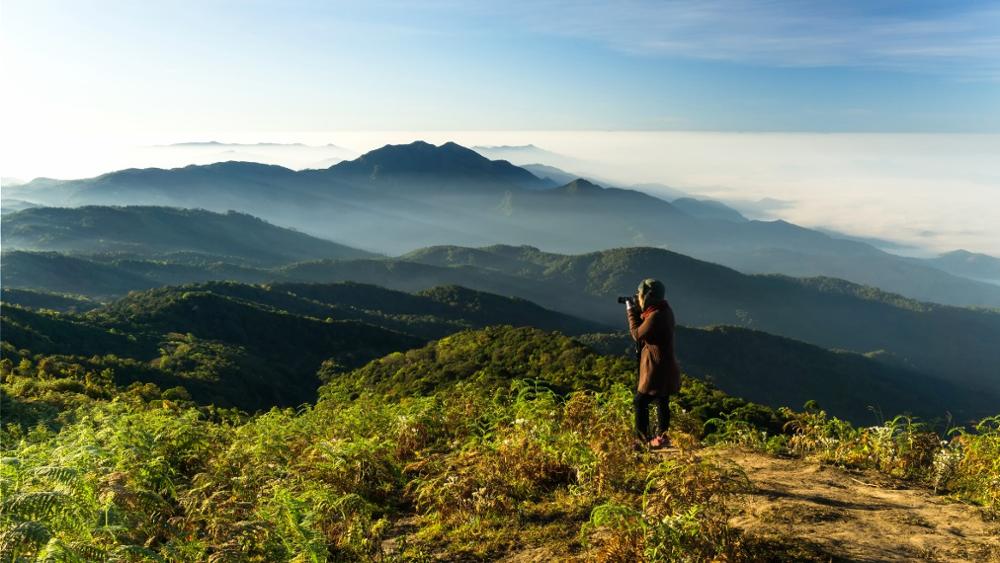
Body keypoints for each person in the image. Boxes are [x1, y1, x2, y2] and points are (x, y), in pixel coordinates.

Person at [626, 278, 681, 449]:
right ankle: (662, 437)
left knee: (640, 402)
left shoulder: (656, 316)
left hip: (656, 369)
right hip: (666, 366)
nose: (638, 298)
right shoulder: (664, 310)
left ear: (648, 295)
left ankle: (641, 441)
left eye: (640, 295)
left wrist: (631, 311)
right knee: (661, 399)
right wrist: (640, 310)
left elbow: (637, 334)